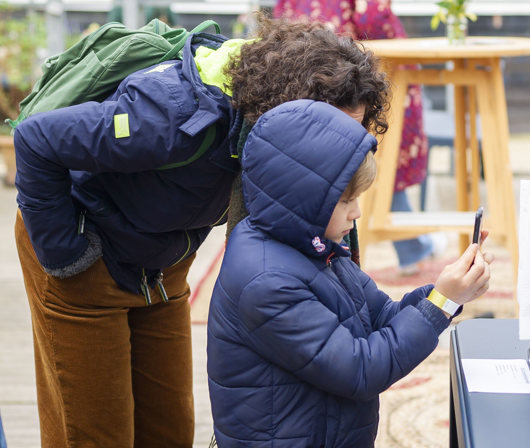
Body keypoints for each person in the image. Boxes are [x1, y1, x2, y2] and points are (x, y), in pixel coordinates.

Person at [13, 17, 391, 448]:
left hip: (162, 264)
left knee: (169, 430)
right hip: (86, 253)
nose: (342, 148)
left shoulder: (265, 134)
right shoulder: (165, 117)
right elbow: (35, 139)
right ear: (287, 106)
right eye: (335, 134)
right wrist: (67, 255)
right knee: (97, 433)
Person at [207, 99, 492, 447]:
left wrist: (446, 292)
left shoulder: (313, 246)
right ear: (302, 196)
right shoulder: (266, 282)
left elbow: (383, 316)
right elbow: (361, 369)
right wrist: (442, 303)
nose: (356, 212)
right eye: (344, 200)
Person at [274, 0, 445, 275]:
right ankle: (356, 257)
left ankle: (411, 247)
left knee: (322, 167)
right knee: (371, 161)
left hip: (295, 77)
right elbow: (375, 17)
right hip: (345, 79)